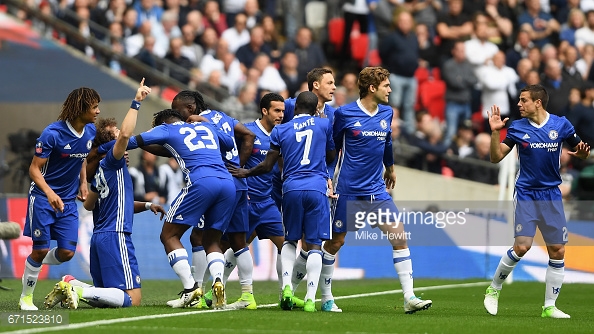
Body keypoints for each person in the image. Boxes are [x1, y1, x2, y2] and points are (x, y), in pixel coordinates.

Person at [44, 79, 166, 309]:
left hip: (99, 238)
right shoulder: (112, 162)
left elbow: (91, 205)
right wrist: (137, 102)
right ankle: (77, 288)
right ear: (111, 144)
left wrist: (148, 206)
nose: (121, 133)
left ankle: (72, 283)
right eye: (116, 132)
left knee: (107, 298)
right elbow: (125, 137)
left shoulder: (99, 172)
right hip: (116, 235)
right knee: (132, 300)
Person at [325, 67, 433, 314]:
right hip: (348, 189)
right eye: (386, 86)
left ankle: (409, 297)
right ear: (372, 88)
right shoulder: (344, 114)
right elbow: (331, 149)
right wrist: (327, 177)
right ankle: (325, 296)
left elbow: (387, 141)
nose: (391, 90)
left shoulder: (387, 112)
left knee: (399, 237)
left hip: (376, 189)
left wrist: (391, 168)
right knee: (335, 243)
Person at [484, 85, 590, 318]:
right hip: (526, 193)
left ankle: (549, 307)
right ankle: (494, 289)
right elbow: (495, 157)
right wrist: (495, 132)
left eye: (523, 100)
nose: (519, 104)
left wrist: (582, 154)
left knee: (558, 250)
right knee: (522, 246)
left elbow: (581, 151)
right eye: (520, 100)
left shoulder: (561, 124)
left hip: (551, 194)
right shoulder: (517, 127)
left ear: (538, 102)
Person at [230, 91, 336, 312]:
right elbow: (331, 157)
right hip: (316, 188)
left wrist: (245, 172)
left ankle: (286, 287)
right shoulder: (324, 125)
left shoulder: (280, 130)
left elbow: (268, 166)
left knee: (290, 241)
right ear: (316, 108)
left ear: (294, 108)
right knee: (315, 245)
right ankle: (309, 299)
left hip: (291, 189)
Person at [167, 90, 255, 310]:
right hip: (235, 184)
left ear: (191, 108)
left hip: (213, 181)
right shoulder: (223, 117)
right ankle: (248, 295)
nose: (174, 113)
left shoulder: (196, 125)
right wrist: (239, 168)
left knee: (198, 237)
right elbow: (249, 136)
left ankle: (195, 290)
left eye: (176, 108)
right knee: (238, 242)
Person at [141, 109, 237, 309]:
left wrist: (106, 146)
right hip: (228, 183)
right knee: (211, 240)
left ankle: (190, 289)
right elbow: (229, 143)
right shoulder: (207, 126)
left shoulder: (170, 130)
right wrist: (206, 122)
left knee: (169, 235)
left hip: (201, 183)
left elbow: (136, 141)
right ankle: (218, 282)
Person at [19, 86, 100, 310]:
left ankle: (32, 262)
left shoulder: (90, 131)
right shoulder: (52, 134)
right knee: (41, 248)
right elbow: (34, 170)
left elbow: (82, 157)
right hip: (43, 198)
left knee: (67, 253)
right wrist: (50, 192)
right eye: (94, 107)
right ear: (81, 108)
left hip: (68, 201)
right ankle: (26, 297)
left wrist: (83, 181)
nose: (98, 111)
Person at [224, 93, 286, 308]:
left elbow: (280, 168)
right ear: (265, 111)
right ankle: (218, 289)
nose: (281, 115)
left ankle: (285, 293)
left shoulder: (280, 135)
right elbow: (231, 159)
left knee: (285, 245)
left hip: (267, 202)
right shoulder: (247, 132)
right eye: (277, 111)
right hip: (247, 200)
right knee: (236, 247)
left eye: (283, 111)